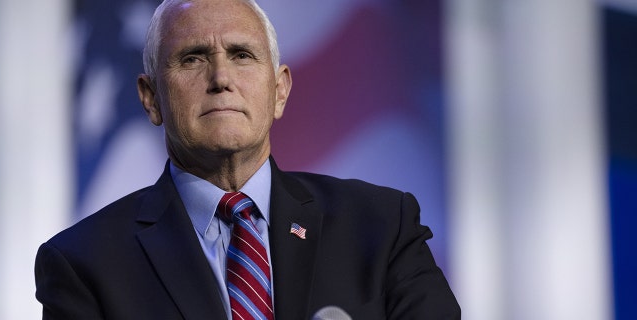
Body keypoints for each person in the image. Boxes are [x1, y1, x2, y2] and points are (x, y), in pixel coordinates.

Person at [34, 0, 460, 319]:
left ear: (279, 91)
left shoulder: (383, 226)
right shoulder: (82, 264)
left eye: (242, 55)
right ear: (151, 99)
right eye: (193, 58)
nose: (221, 79)